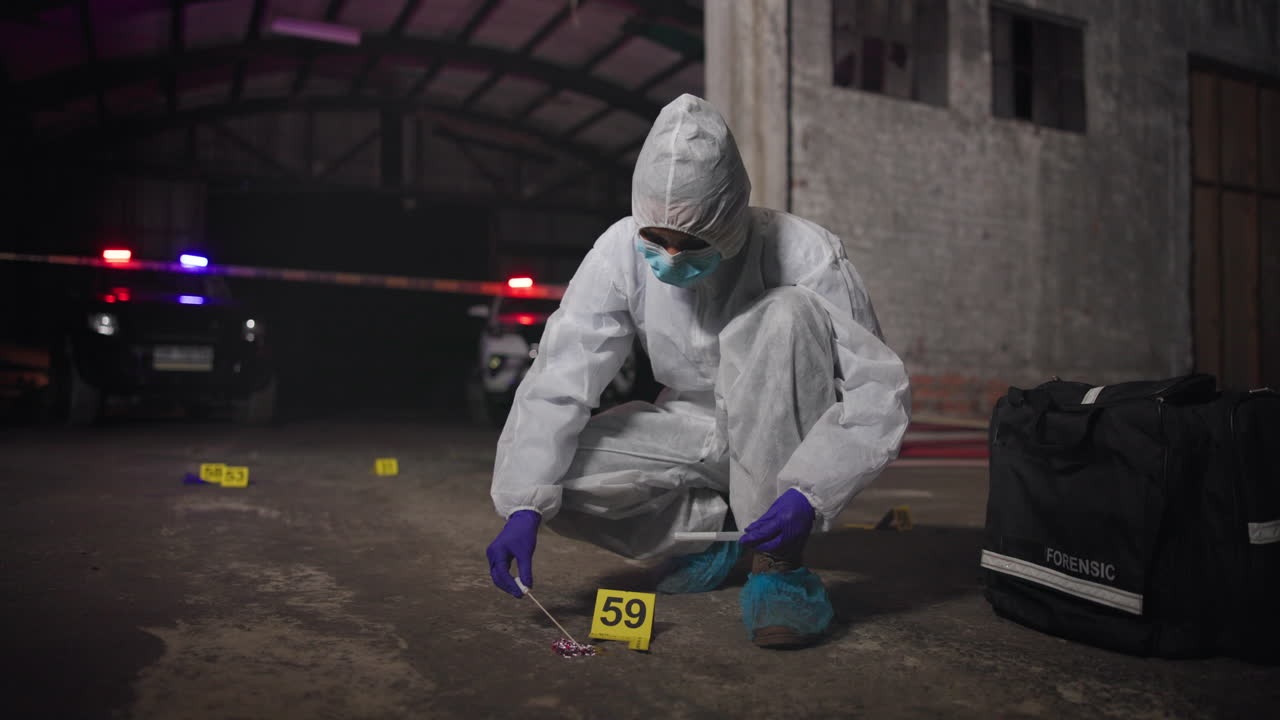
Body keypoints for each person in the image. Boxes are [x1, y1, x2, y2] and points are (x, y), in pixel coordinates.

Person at [485, 94, 910, 649]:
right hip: (691, 424)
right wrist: (523, 504)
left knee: (787, 312)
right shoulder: (618, 251)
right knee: (554, 477)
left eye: (691, 243)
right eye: (656, 239)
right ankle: (713, 534)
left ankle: (778, 566)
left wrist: (811, 490)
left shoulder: (806, 252)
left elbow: (876, 389)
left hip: (784, 428)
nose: (671, 257)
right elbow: (561, 373)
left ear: (731, 218)